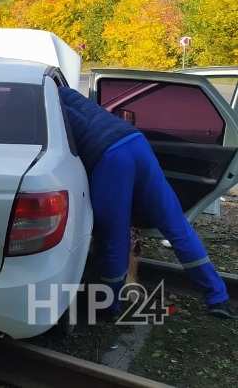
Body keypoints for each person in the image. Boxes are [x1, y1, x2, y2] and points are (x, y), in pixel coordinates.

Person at [59, 87, 234, 319]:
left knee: (114, 235)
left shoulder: (45, 101)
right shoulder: (68, 92)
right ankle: (218, 297)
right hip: (135, 142)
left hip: (109, 156)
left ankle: (109, 306)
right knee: (177, 226)